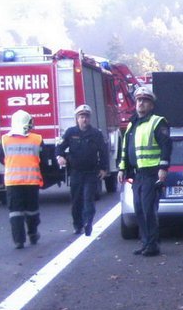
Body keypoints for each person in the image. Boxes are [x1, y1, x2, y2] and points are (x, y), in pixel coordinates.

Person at [117, 86, 171, 256]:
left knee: (148, 210)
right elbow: (126, 149)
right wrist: (122, 168)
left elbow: (166, 146)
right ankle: (145, 242)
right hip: (137, 174)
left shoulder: (157, 122)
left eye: (145, 101)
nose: (141, 103)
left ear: (151, 105)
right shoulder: (132, 124)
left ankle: (153, 245)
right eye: (139, 100)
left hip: (151, 173)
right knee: (139, 209)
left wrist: (163, 167)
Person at [56, 104, 110, 236]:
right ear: (77, 118)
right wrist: (60, 157)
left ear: (89, 118)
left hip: (91, 172)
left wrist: (103, 169)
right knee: (76, 201)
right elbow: (60, 147)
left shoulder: (96, 134)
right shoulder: (71, 132)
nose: (84, 119)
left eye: (86, 117)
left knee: (88, 199)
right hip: (76, 173)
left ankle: (88, 223)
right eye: (81, 117)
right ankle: (77, 224)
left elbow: (103, 152)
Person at [0, 110, 43, 249]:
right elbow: (41, 157)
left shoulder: (4, 140)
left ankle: (19, 240)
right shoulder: (37, 139)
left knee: (15, 212)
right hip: (31, 181)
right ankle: (33, 233)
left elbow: (1, 157)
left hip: (13, 183)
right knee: (32, 210)